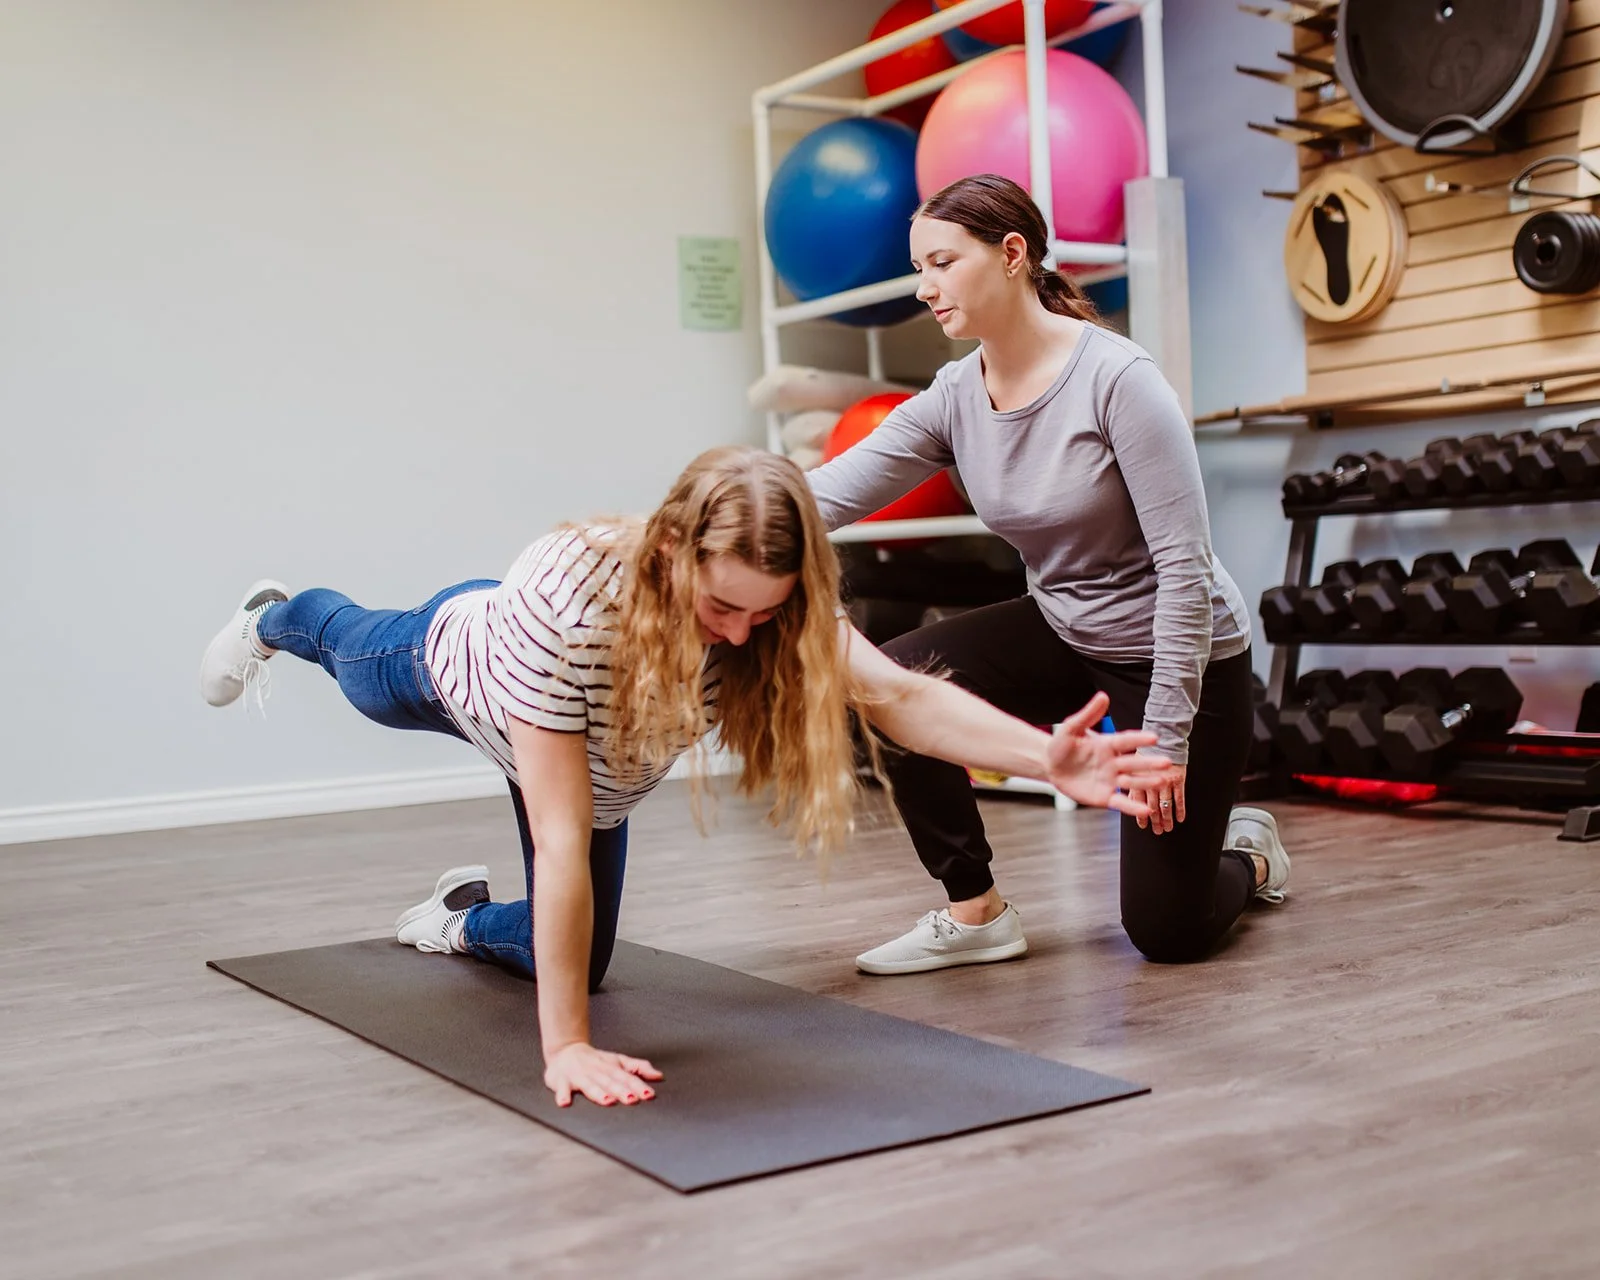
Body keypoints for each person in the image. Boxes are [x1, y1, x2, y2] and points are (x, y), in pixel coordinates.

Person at [200, 446, 1176, 1107]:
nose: (740, 635)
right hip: (465, 671)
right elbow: (557, 833)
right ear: (672, 549)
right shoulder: (565, 595)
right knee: (352, 654)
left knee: (577, 959)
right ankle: (273, 615)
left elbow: (900, 697)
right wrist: (565, 1049)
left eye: (765, 614)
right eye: (721, 605)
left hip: (603, 768)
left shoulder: (765, 615)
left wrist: (1043, 754)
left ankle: (456, 917)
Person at [805, 174, 1291, 977]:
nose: (924, 288)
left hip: (1180, 657)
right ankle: (976, 913)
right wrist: (691, 530)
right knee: (885, 681)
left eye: (941, 262)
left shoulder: (1117, 381)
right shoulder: (956, 394)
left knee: (1170, 932)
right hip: (1064, 628)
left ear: (1011, 255)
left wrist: (1167, 741)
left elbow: (1184, 571)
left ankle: (1247, 851)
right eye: (918, 268)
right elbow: (827, 495)